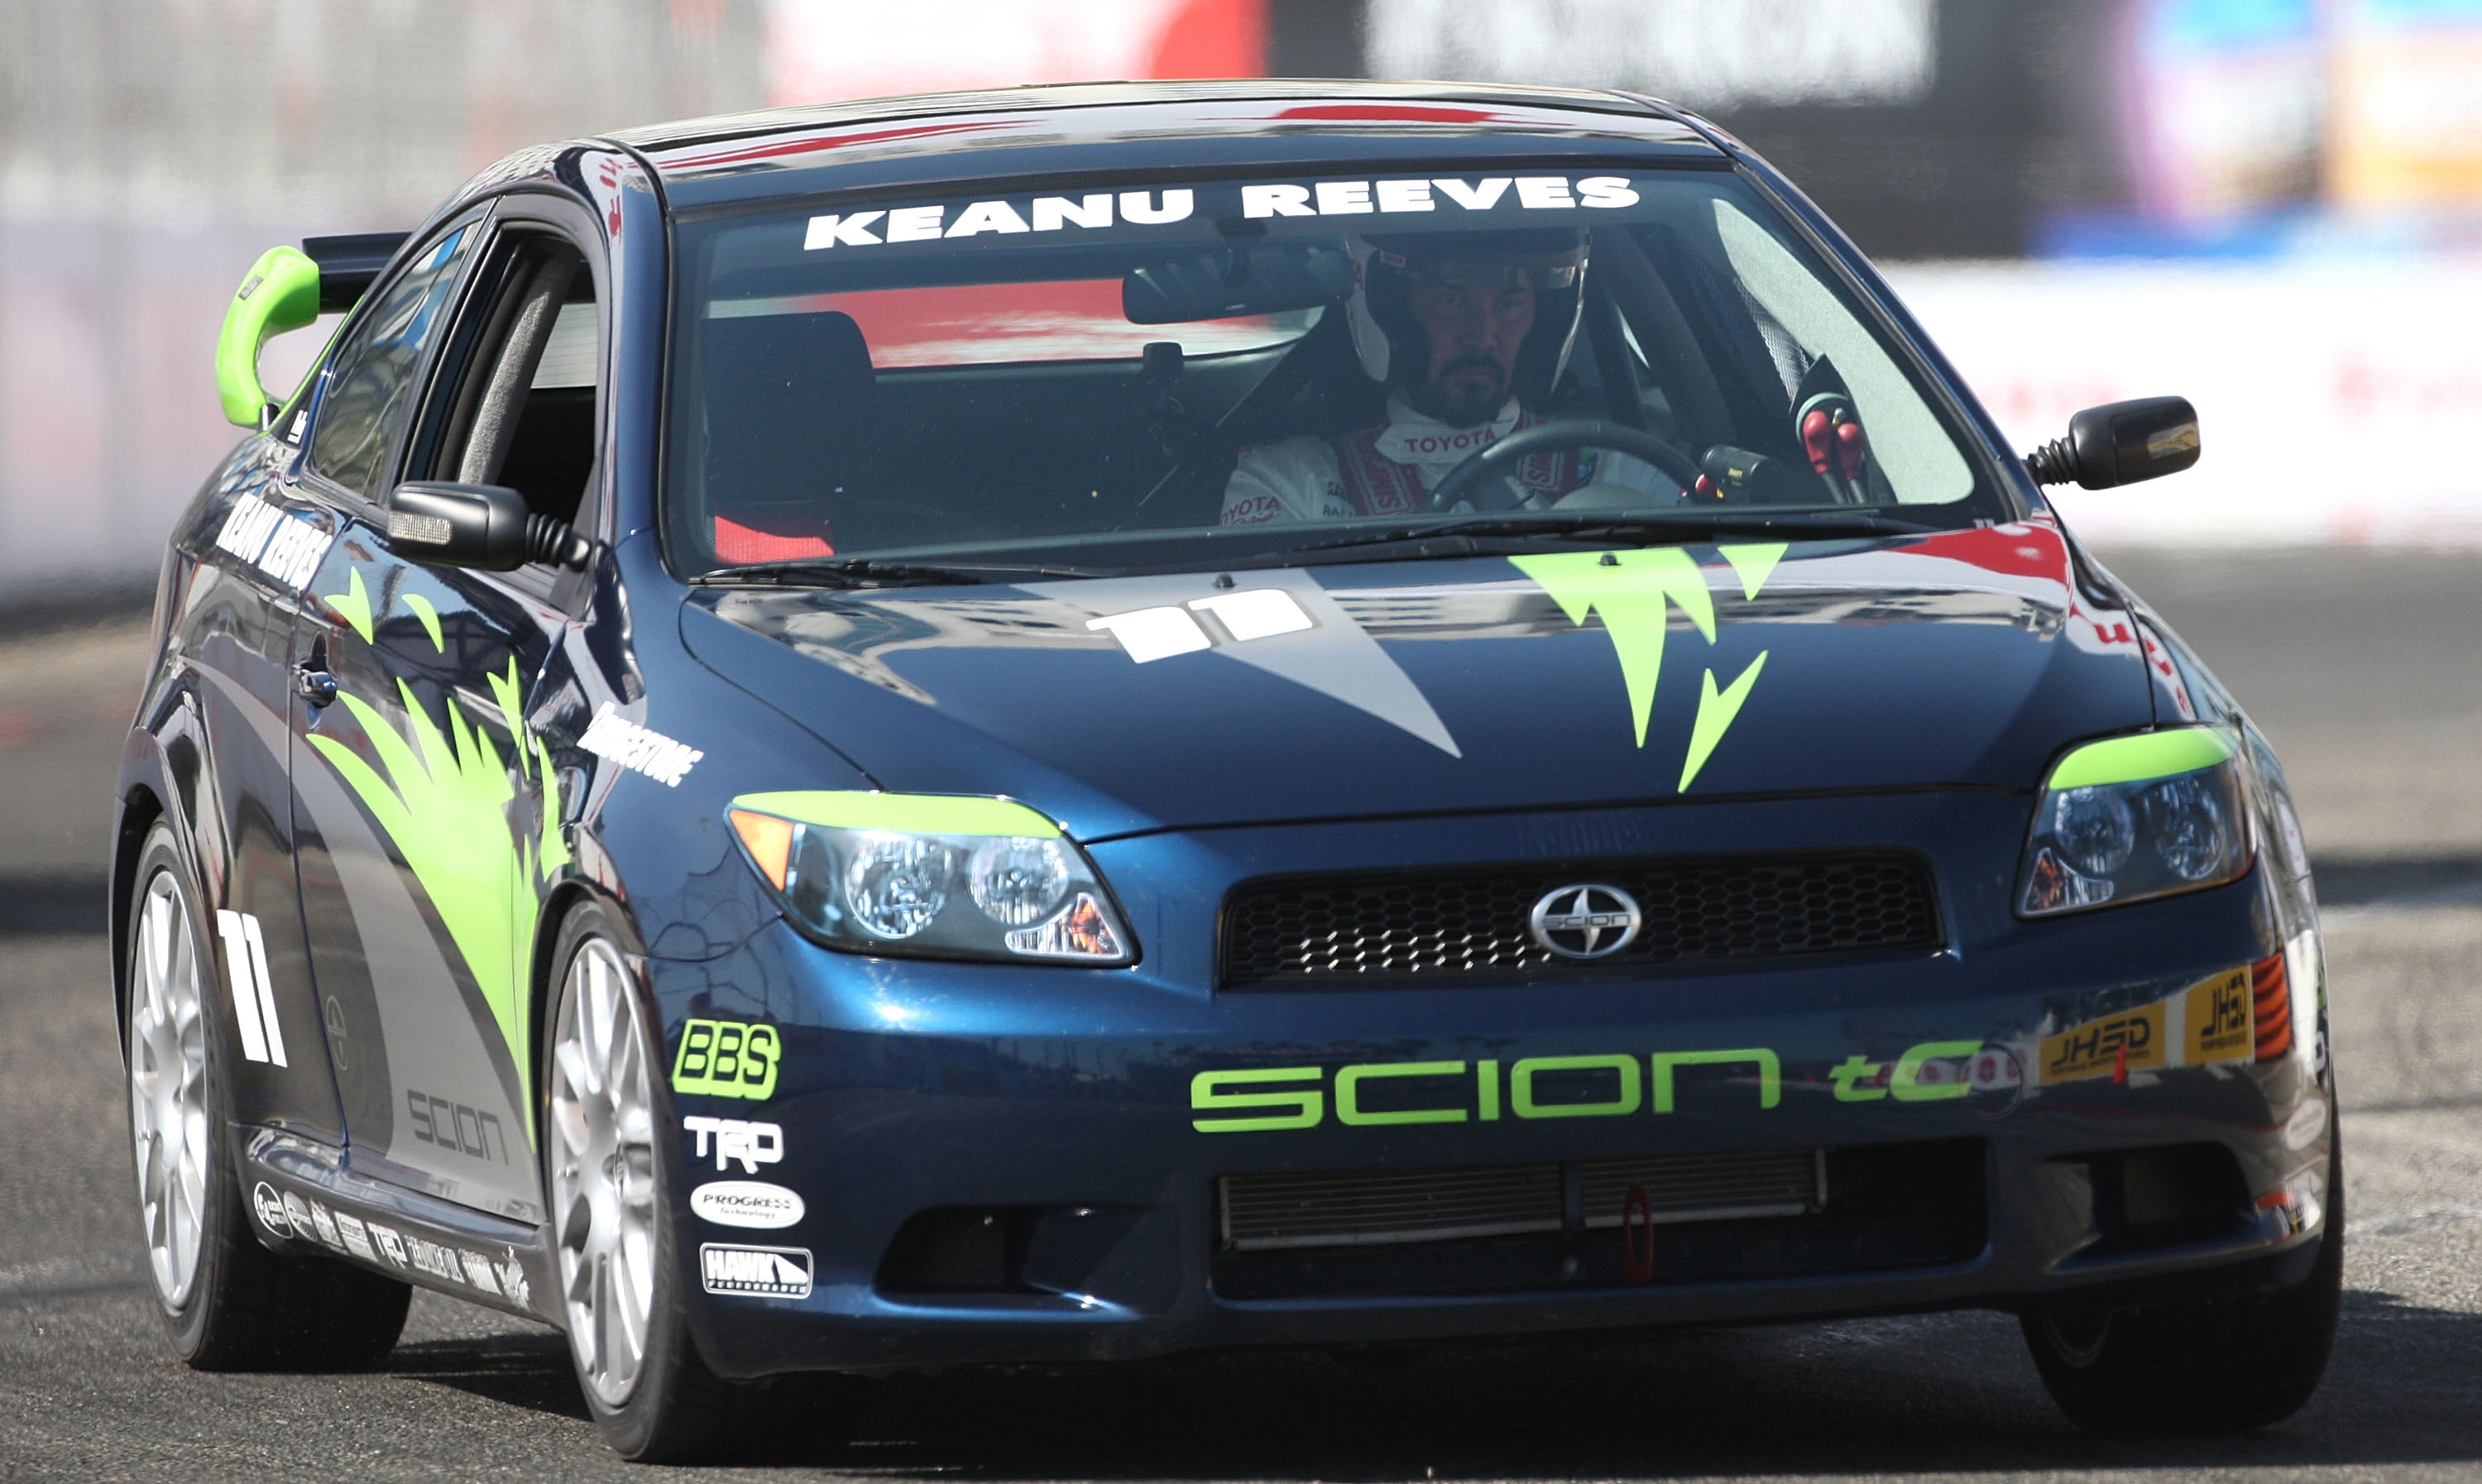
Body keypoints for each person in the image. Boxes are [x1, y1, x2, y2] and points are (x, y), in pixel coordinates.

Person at [1219, 227, 1676, 525]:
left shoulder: (1618, 470)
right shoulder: (1293, 480)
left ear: (1542, 322)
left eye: (1508, 304)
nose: (1482, 335)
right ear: (1396, 314)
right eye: (1452, 301)